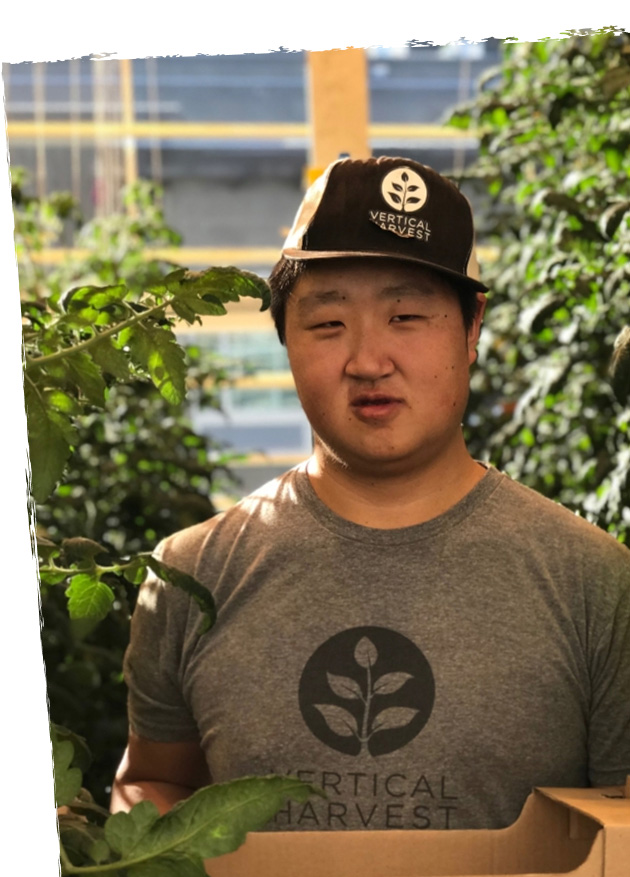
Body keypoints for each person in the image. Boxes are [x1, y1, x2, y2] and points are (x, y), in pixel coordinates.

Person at [111, 156, 630, 831]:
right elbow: (153, 781)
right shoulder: (191, 576)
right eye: (328, 324)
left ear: (471, 325)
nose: (368, 361)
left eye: (406, 316)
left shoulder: (595, 583)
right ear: (285, 337)